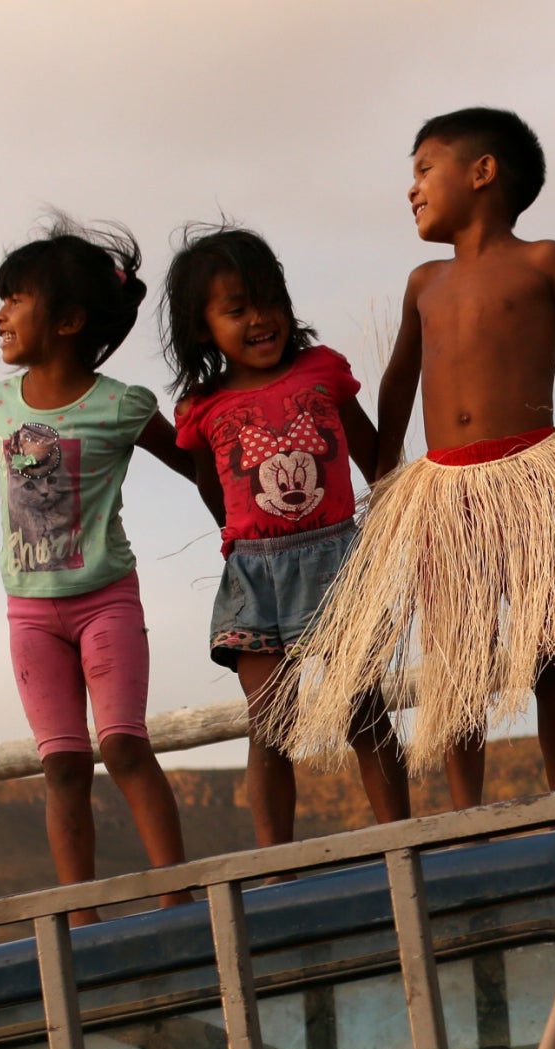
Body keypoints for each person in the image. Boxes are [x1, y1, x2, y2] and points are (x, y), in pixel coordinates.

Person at [291, 106, 555, 804]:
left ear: (482, 173)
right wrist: (387, 477)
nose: (411, 188)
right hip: (445, 488)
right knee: (456, 658)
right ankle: (467, 811)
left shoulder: (544, 260)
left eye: (424, 169)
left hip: (531, 475)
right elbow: (399, 380)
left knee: (550, 651)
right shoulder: (425, 281)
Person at [0, 219, 193, 918]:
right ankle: (82, 914)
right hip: (30, 612)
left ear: (67, 321)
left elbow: (194, 465)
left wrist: (239, 528)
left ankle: (178, 897)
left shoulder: (121, 405)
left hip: (105, 601)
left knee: (122, 744)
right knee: (62, 762)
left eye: (15, 299)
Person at [161, 225, 411, 847]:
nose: (261, 319)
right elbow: (210, 484)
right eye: (237, 309)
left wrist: (388, 513)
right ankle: (276, 862)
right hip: (254, 572)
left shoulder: (321, 370)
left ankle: (402, 838)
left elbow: (372, 454)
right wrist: (239, 535)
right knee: (271, 721)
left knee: (362, 706)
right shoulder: (201, 407)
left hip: (337, 559)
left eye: (269, 301)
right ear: (202, 329)